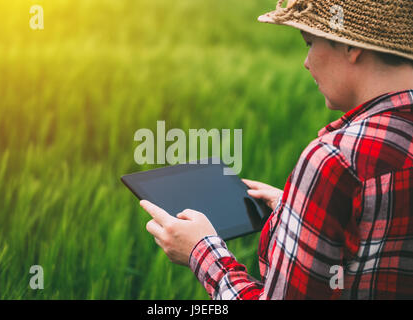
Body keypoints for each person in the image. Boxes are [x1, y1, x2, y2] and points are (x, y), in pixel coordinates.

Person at [139, 0, 413, 299]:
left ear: (351, 46)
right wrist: (297, 210)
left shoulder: (336, 159)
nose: (306, 62)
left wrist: (201, 252)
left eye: (309, 43)